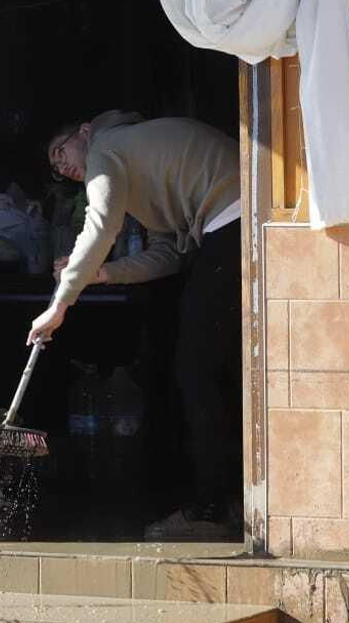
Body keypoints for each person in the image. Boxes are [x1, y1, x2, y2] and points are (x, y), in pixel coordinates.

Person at [36, 109, 242, 540]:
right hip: (229, 219)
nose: (63, 167)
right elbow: (170, 254)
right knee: (209, 369)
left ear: (84, 130)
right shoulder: (136, 166)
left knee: (196, 369)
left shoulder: (107, 148)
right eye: (57, 169)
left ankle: (213, 509)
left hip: (234, 210)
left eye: (61, 151)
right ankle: (230, 500)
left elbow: (101, 224)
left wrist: (60, 305)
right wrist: (103, 274)